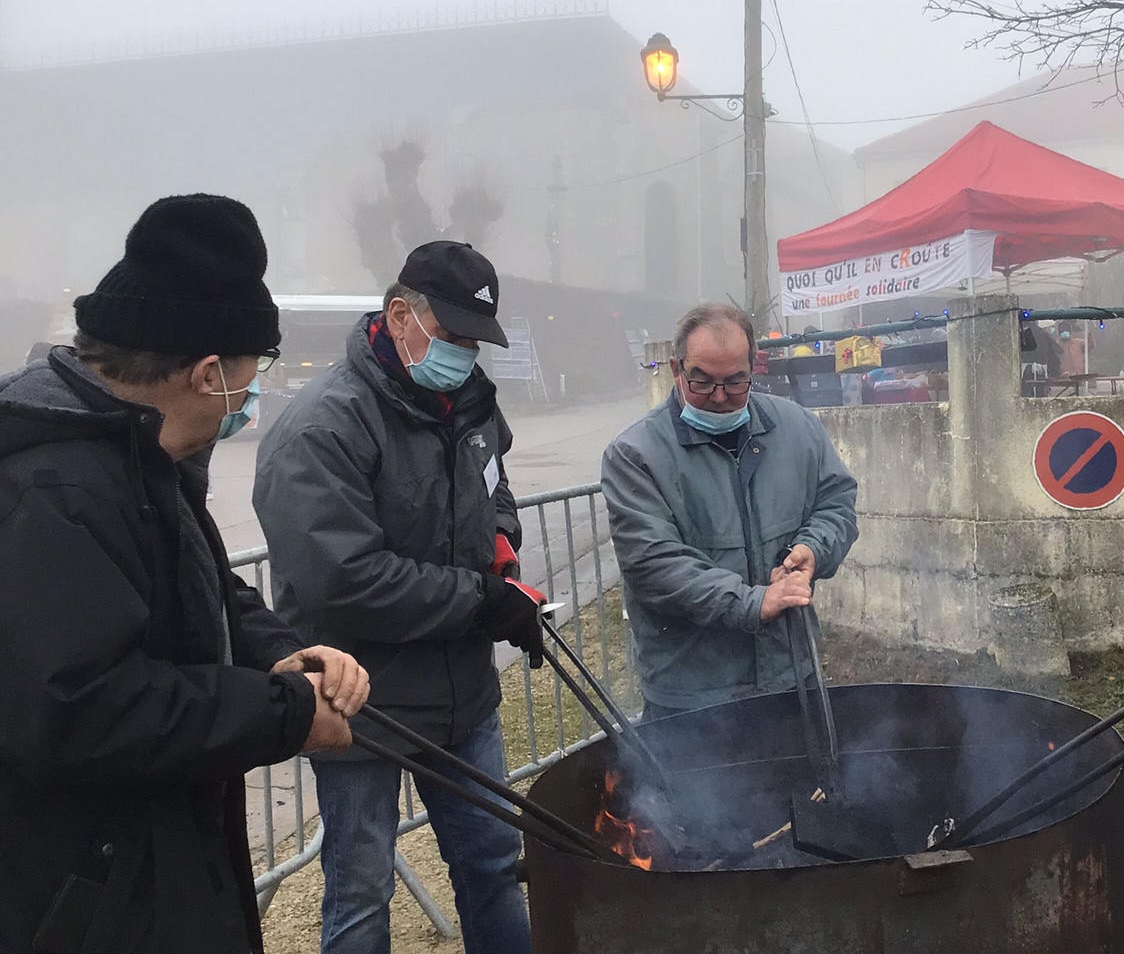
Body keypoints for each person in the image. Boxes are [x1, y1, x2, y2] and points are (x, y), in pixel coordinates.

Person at [0, 194, 368, 954]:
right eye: (252, 369)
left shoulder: (138, 456)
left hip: (157, 867)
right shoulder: (58, 488)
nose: (253, 388)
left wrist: (278, 654)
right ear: (207, 374)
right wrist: (283, 714)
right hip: (87, 899)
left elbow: (200, 584)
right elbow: (82, 707)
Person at [254, 240, 541, 954]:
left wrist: (500, 544)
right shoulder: (323, 426)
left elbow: (494, 483)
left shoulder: (470, 402)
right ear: (399, 316)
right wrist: (479, 600)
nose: (465, 353)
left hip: (463, 697)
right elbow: (341, 577)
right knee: (360, 891)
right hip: (363, 707)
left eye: (475, 340)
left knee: (494, 868)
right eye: (451, 336)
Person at [602, 303, 859, 719]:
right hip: (692, 694)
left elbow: (837, 503)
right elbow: (654, 565)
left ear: (753, 367)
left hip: (791, 677)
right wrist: (753, 603)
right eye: (702, 382)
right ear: (675, 369)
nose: (720, 397)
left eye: (735, 381)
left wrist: (813, 548)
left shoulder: (799, 428)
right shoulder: (635, 455)